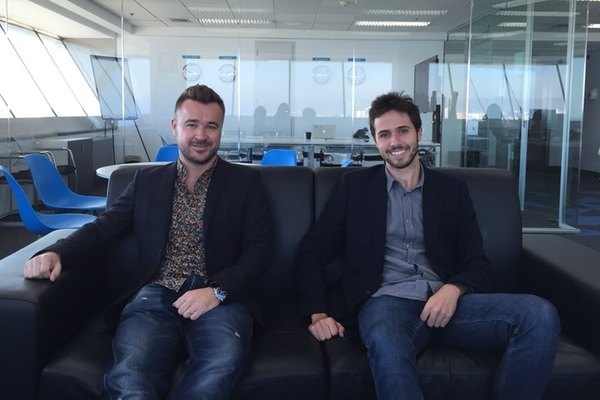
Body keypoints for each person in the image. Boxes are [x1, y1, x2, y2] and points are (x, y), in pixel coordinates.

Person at [296, 91, 560, 400]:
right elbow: (312, 253)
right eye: (385, 134)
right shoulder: (354, 188)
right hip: (385, 303)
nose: (395, 141)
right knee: (388, 344)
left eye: (403, 131)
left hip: (448, 304)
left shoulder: (451, 191)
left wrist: (453, 289)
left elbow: (475, 260)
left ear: (419, 133)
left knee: (539, 315)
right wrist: (317, 314)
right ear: (376, 141)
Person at [23, 84, 274, 400]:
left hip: (219, 297)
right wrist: (57, 252)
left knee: (219, 367)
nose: (201, 135)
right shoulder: (146, 182)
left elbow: (260, 250)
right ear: (174, 126)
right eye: (192, 124)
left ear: (221, 130)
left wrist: (217, 292)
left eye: (211, 126)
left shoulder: (246, 182)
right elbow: (103, 229)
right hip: (156, 294)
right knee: (130, 373)